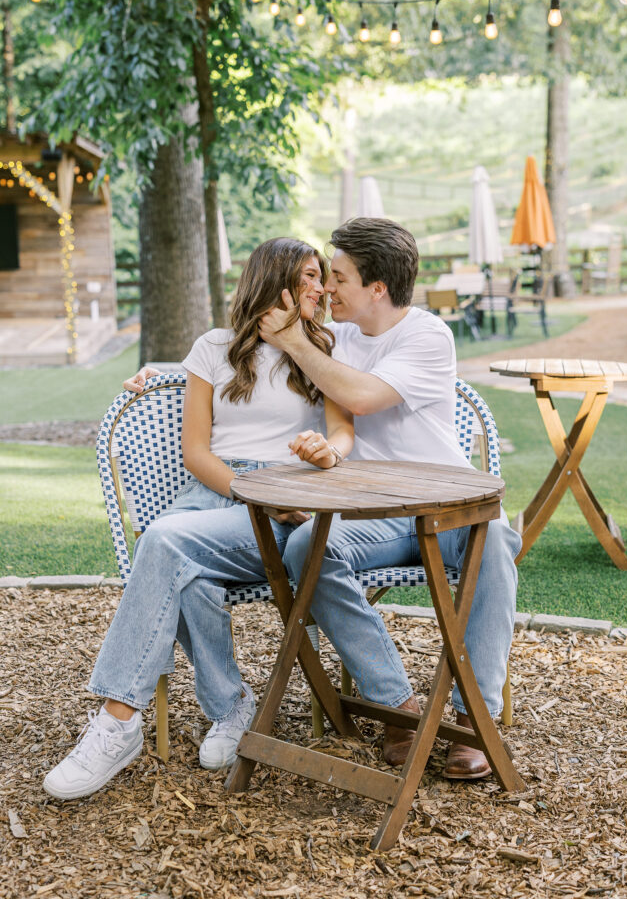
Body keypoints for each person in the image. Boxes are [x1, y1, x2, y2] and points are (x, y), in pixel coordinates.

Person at [43, 238, 354, 801]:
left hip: (279, 503)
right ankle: (232, 707)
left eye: (321, 277)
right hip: (210, 493)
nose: (321, 287)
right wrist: (154, 374)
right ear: (273, 284)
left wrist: (326, 456)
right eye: (308, 277)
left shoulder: (322, 348)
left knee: (161, 545)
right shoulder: (214, 347)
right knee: (180, 565)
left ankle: (117, 721)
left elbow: (343, 430)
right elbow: (195, 452)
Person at [259, 217, 521, 778]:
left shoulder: (428, 336)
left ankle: (474, 716)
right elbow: (246, 353)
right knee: (306, 547)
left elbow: (361, 395)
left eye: (340, 276)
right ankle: (396, 706)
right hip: (372, 513)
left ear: (377, 288)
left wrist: (294, 343)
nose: (328, 287)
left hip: (444, 505)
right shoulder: (338, 336)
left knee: (495, 537)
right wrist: (151, 376)